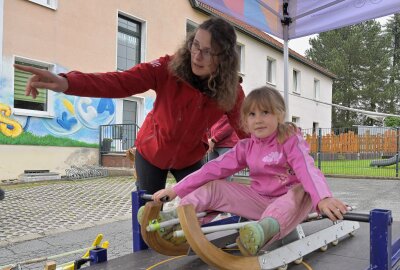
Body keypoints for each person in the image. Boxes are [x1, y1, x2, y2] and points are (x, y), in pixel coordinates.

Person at [14, 17, 247, 195]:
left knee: (199, 207)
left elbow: (249, 133)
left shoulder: (231, 91)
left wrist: (275, 161)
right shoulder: (167, 68)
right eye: (195, 45)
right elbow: (119, 82)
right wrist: (66, 82)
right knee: (146, 213)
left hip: (189, 158)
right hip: (151, 152)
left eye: (208, 52)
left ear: (224, 58)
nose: (197, 56)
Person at [152, 86, 348, 256]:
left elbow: (306, 168)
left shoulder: (289, 139)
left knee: (300, 189)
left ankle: (263, 232)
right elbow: (212, 168)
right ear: (245, 120)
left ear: (279, 115)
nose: (258, 120)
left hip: (290, 204)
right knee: (215, 186)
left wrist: (322, 198)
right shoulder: (246, 147)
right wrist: (176, 190)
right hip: (259, 200)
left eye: (265, 112)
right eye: (252, 114)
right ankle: (178, 219)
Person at [207, 114, 239, 181]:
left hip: (227, 144)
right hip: (213, 145)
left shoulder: (231, 107)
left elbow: (232, 125)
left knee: (225, 177)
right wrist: (209, 139)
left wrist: (214, 139)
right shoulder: (213, 109)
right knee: (211, 175)